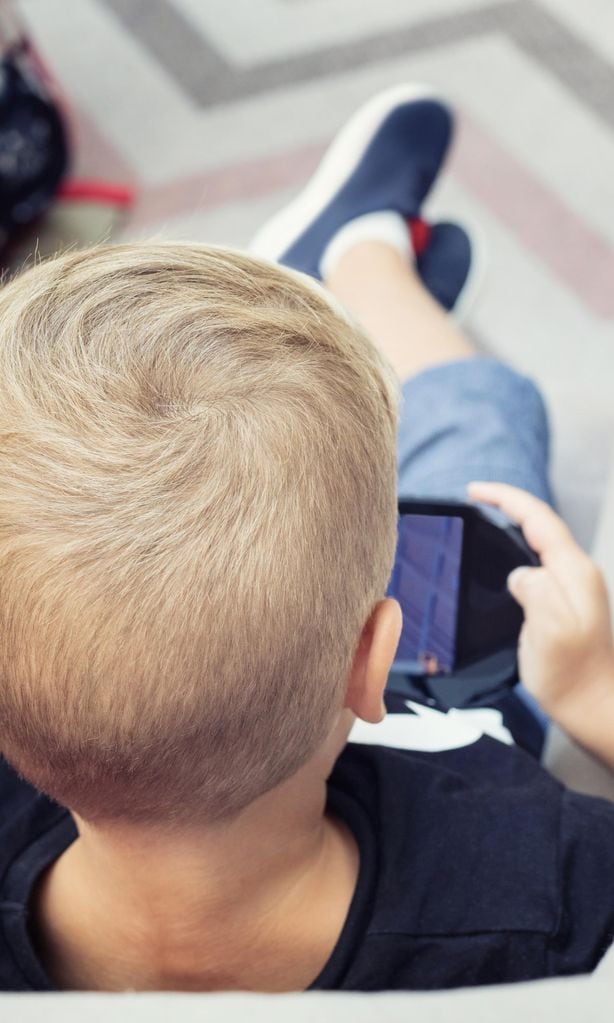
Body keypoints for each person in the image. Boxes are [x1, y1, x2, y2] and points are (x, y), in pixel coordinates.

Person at [1, 84, 614, 995]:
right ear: (374, 658)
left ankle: (349, 281)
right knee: (486, 416)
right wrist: (594, 691)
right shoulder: (550, 877)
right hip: (448, 727)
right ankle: (359, 261)